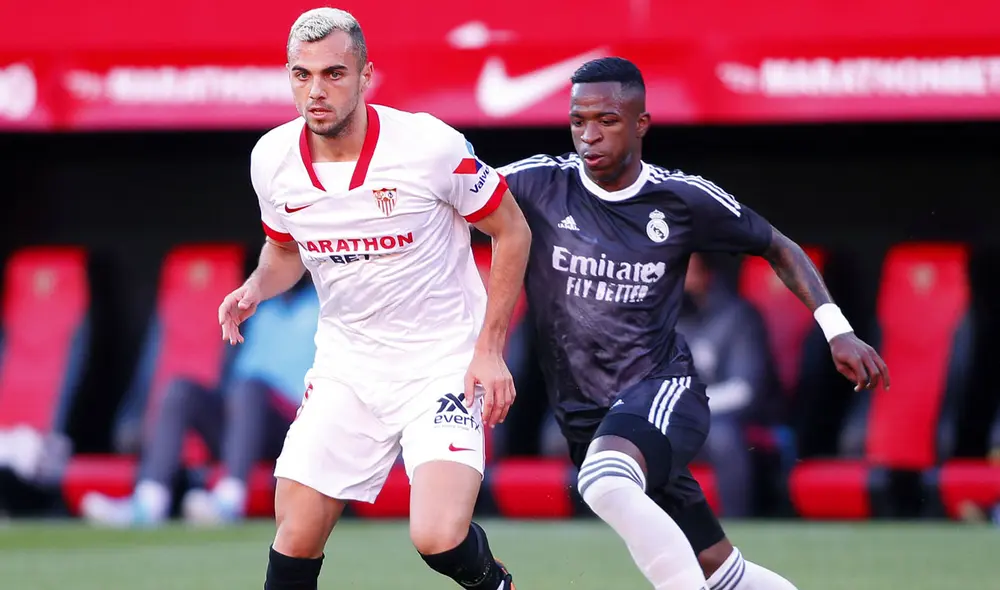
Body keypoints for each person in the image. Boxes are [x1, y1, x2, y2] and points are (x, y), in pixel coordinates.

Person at [498, 56, 889, 590]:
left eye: (607, 121)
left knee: (604, 481)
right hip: (587, 414)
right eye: (577, 121)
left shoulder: (682, 198)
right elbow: (448, 193)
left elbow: (779, 246)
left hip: (660, 392)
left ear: (641, 124)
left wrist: (837, 328)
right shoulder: (537, 184)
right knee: (723, 572)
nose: (589, 136)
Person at [219, 8, 531, 590]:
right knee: (295, 536)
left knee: (438, 538)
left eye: (334, 74)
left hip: (442, 364)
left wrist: (489, 351)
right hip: (349, 367)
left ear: (366, 77)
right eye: (302, 74)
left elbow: (512, 231)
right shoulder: (272, 159)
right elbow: (285, 251)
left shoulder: (428, 146)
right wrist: (255, 287)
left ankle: (497, 583)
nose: (317, 90)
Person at [80, 279, 319, 527]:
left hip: (293, 426)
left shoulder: (325, 303)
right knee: (181, 391)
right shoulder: (263, 307)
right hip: (244, 418)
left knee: (251, 388)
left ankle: (229, 500)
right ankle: (149, 502)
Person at [678, 253, 776, 518]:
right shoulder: (667, 318)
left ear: (706, 275)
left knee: (723, 436)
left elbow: (744, 390)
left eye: (687, 272)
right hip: (679, 421)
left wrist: (685, 405)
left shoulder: (739, 316)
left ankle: (737, 528)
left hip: (728, 421)